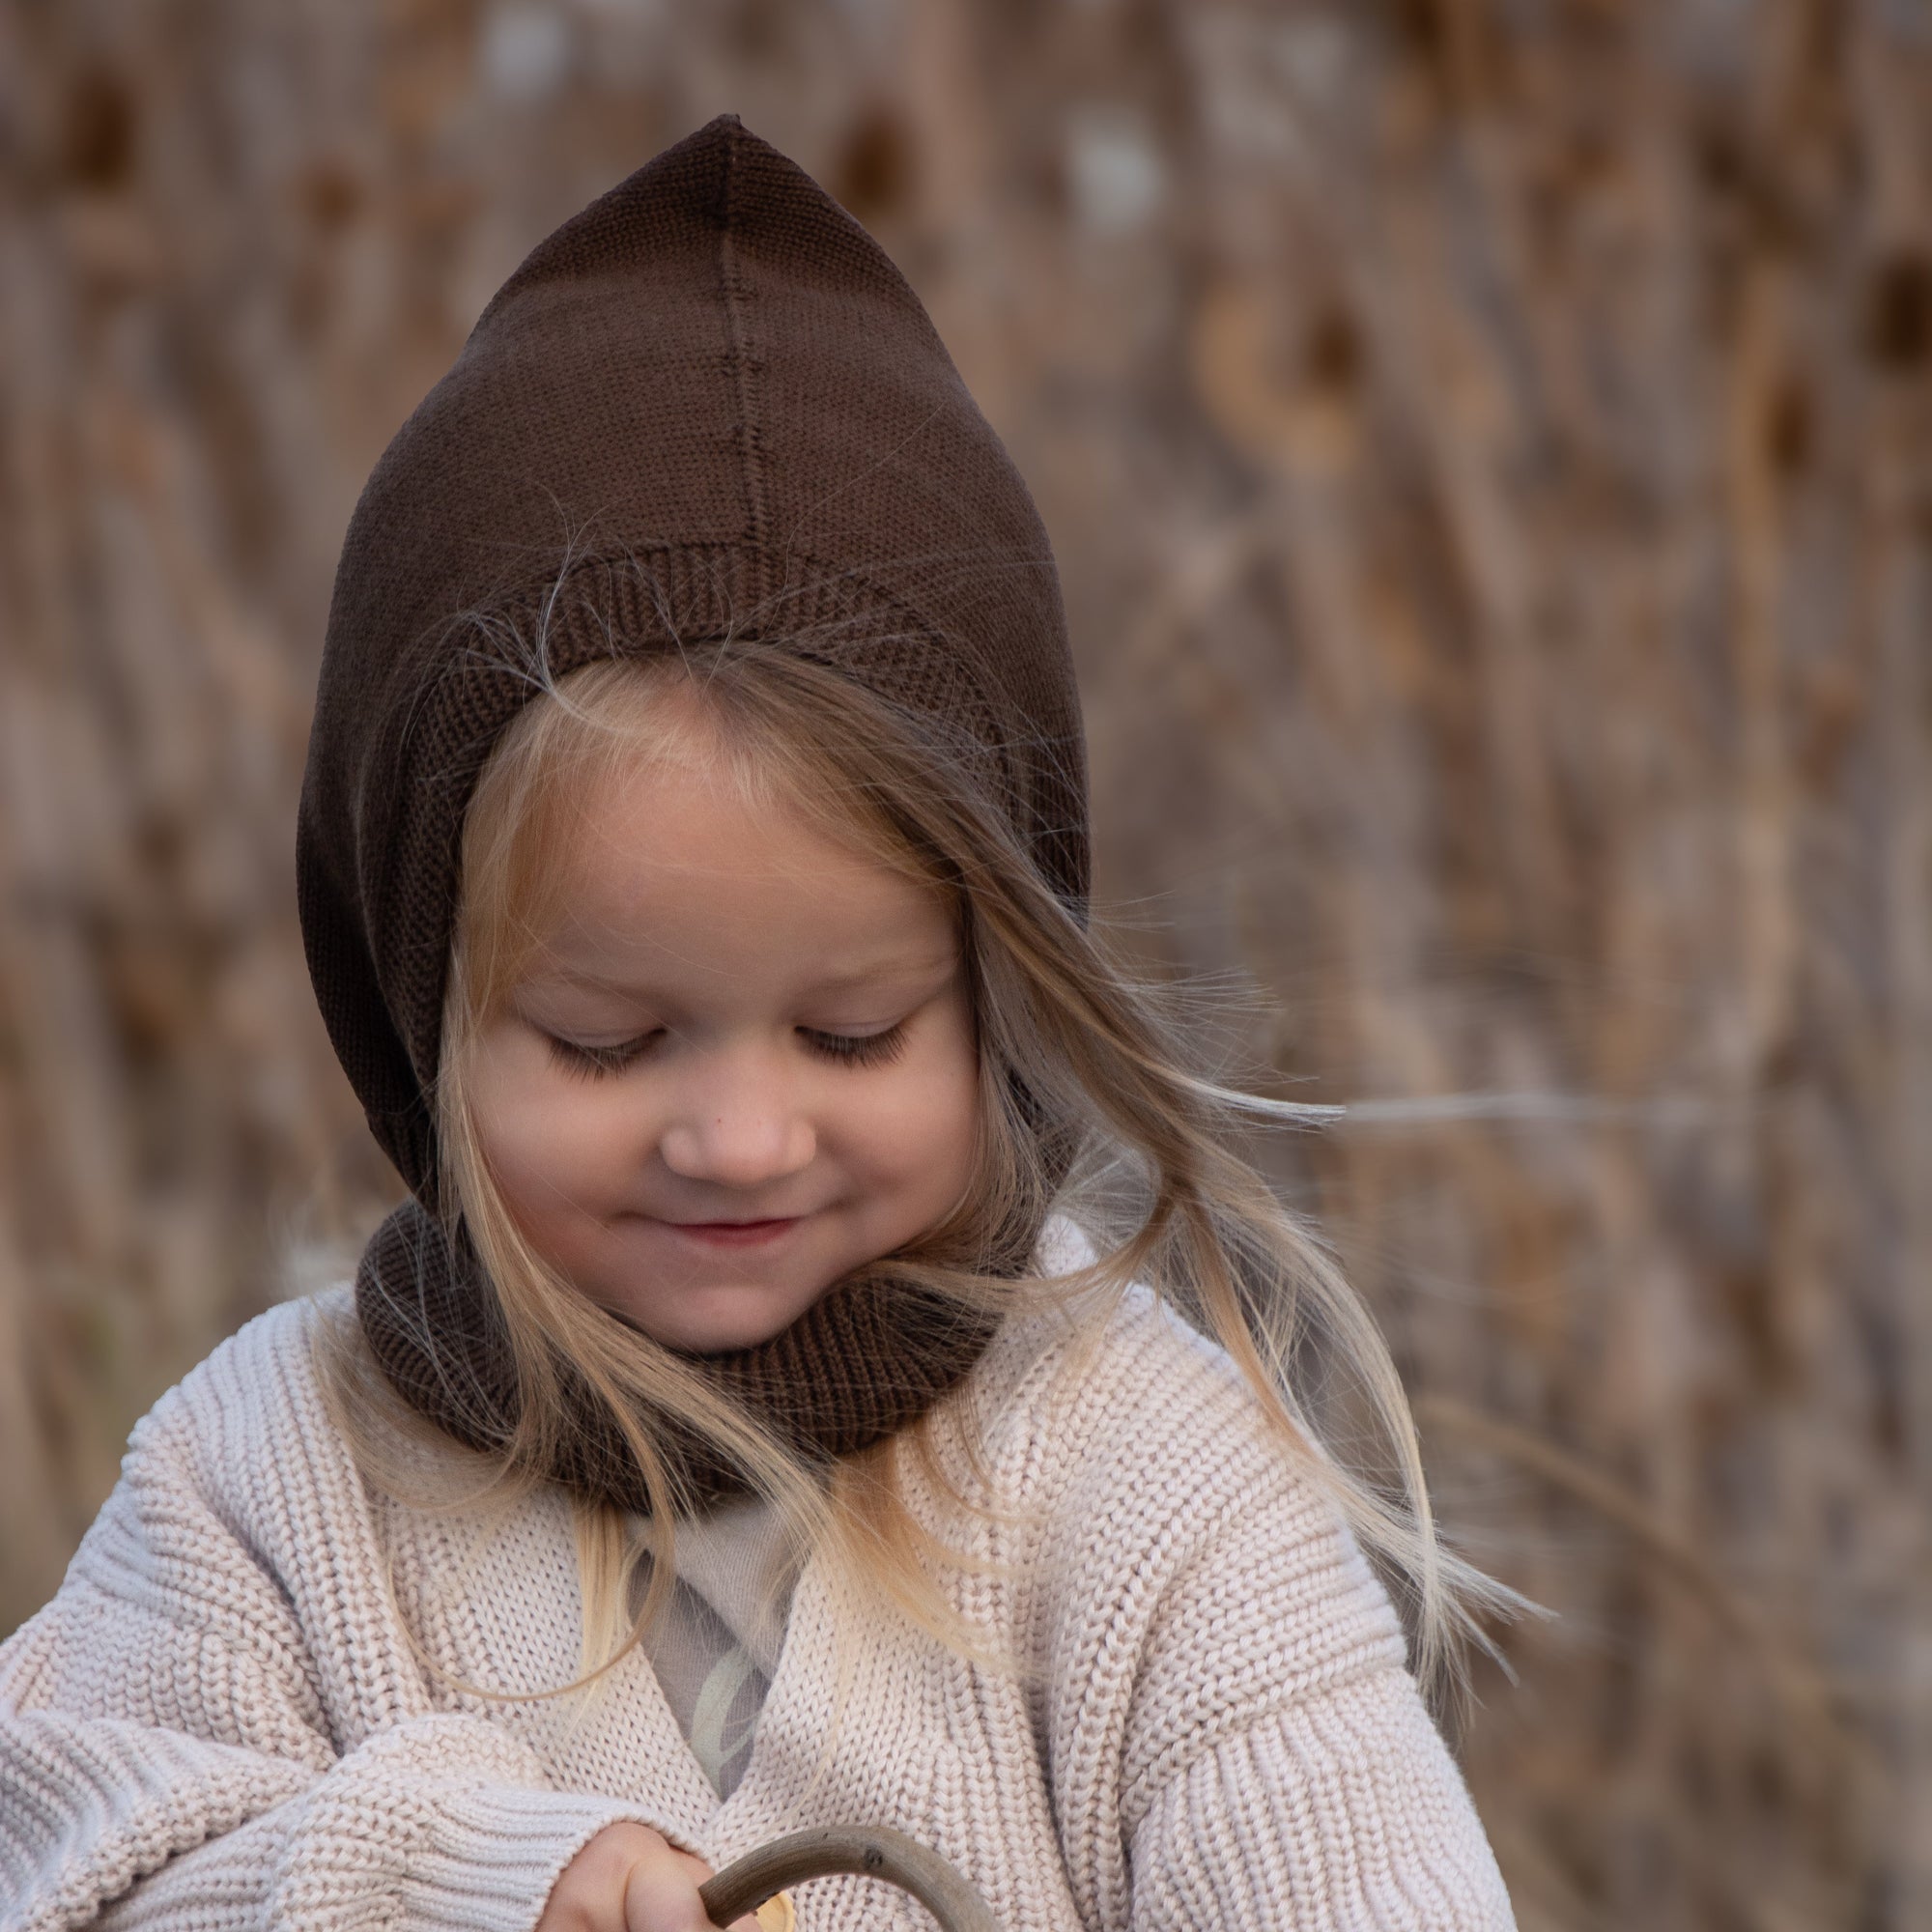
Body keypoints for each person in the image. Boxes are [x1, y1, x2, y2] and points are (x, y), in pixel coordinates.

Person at [0, 116, 1521, 1932]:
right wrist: (463, 1885)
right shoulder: (263, 1481)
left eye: (854, 1035)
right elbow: (76, 1874)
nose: (738, 1138)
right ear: (427, 1017)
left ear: (989, 996)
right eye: (609, 1043)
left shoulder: (1144, 1479)